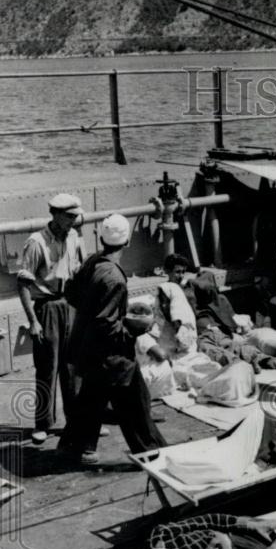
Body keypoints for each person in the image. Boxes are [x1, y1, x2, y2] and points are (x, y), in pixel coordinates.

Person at [61, 214, 165, 466]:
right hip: (110, 354)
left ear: (102, 238)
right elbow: (106, 325)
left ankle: (75, 447)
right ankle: (150, 453)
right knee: (135, 402)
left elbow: (71, 293)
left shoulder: (92, 262)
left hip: (86, 347)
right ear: (127, 241)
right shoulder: (114, 278)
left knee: (91, 397)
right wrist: (136, 329)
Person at [17, 192, 86, 445]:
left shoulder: (74, 237)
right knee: (47, 368)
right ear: (55, 215)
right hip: (46, 308)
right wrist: (33, 321)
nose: (73, 222)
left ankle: (76, 419)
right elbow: (23, 284)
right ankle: (43, 423)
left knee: (73, 368)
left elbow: (79, 269)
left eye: (75, 217)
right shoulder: (36, 242)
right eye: (69, 217)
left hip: (70, 305)